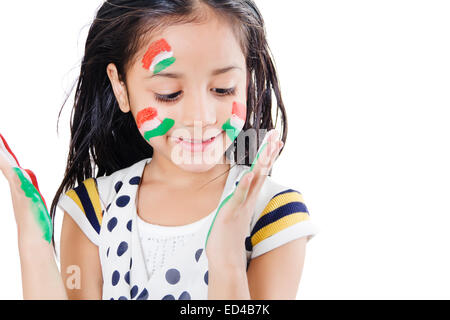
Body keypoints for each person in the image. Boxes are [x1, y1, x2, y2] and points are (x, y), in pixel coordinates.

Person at [0, 0, 318, 300]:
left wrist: (227, 257)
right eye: (169, 93)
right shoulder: (93, 208)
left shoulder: (275, 213)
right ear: (121, 87)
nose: (200, 117)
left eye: (223, 89)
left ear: (246, 80)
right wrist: (33, 241)